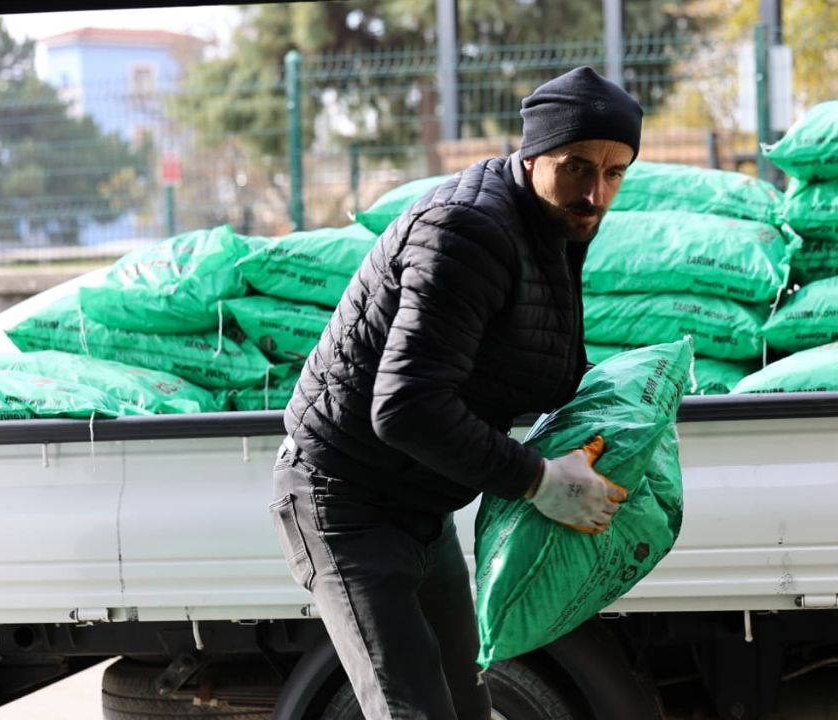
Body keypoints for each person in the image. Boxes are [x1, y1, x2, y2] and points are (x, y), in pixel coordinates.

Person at [270, 66, 642, 720]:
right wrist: (537, 479)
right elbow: (405, 406)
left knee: (468, 707)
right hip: (346, 501)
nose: (595, 194)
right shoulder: (467, 231)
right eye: (577, 167)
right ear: (533, 155)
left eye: (614, 173)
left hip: (423, 509)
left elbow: (535, 355)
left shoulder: (553, 227)